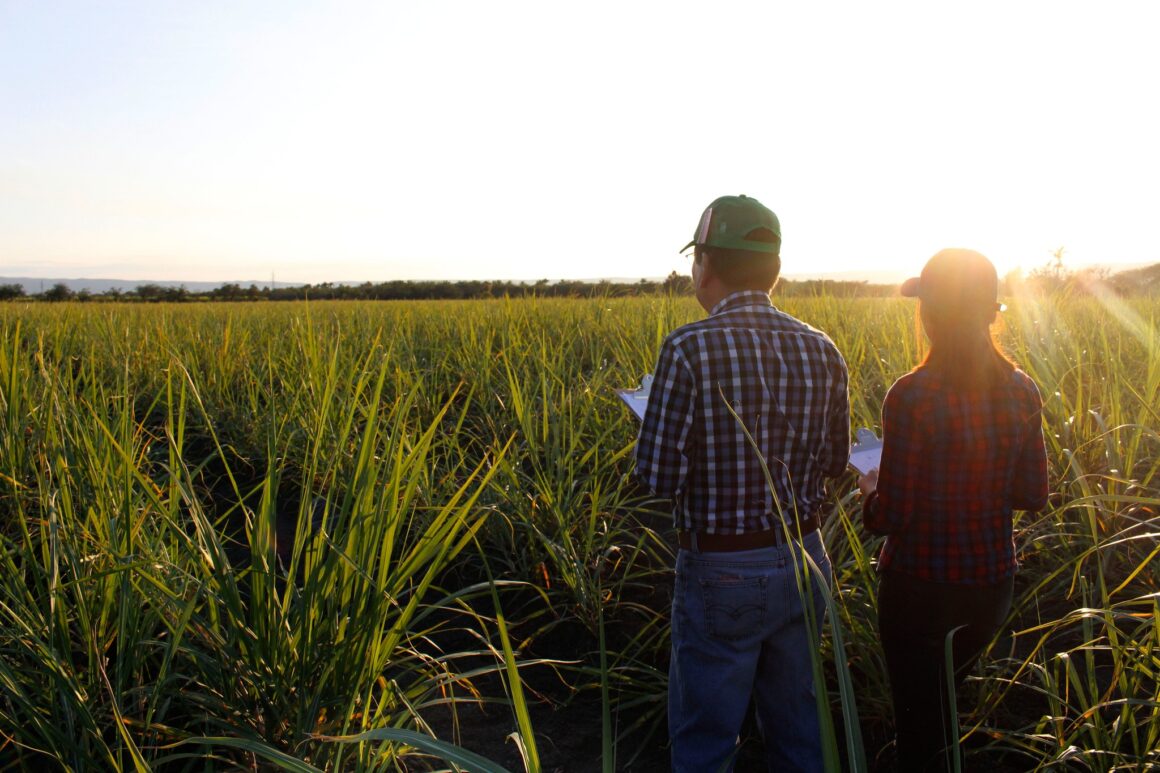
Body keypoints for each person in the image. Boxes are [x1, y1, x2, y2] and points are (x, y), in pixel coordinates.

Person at [636, 194, 850, 772]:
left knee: (707, 739)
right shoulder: (823, 348)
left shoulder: (687, 348)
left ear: (705, 263)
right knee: (799, 727)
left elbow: (657, 477)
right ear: (773, 270)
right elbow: (835, 461)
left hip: (723, 571)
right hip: (807, 560)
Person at [857, 248, 1049, 772]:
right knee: (943, 710)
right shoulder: (1021, 390)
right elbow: (1034, 494)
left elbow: (890, 517)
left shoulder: (911, 396)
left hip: (920, 589)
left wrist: (869, 491)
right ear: (991, 313)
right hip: (990, 586)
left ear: (929, 313)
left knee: (920, 726)